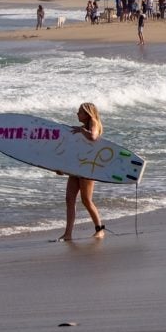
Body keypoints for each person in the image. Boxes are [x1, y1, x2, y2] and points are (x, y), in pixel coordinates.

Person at [59, 102, 107, 241]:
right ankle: (68, 234)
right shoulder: (82, 128)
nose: (77, 113)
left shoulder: (94, 122)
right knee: (69, 199)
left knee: (86, 200)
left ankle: (100, 229)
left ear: (87, 114)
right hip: (76, 167)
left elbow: (93, 137)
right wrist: (61, 167)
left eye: (80, 111)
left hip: (87, 167)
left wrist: (81, 131)